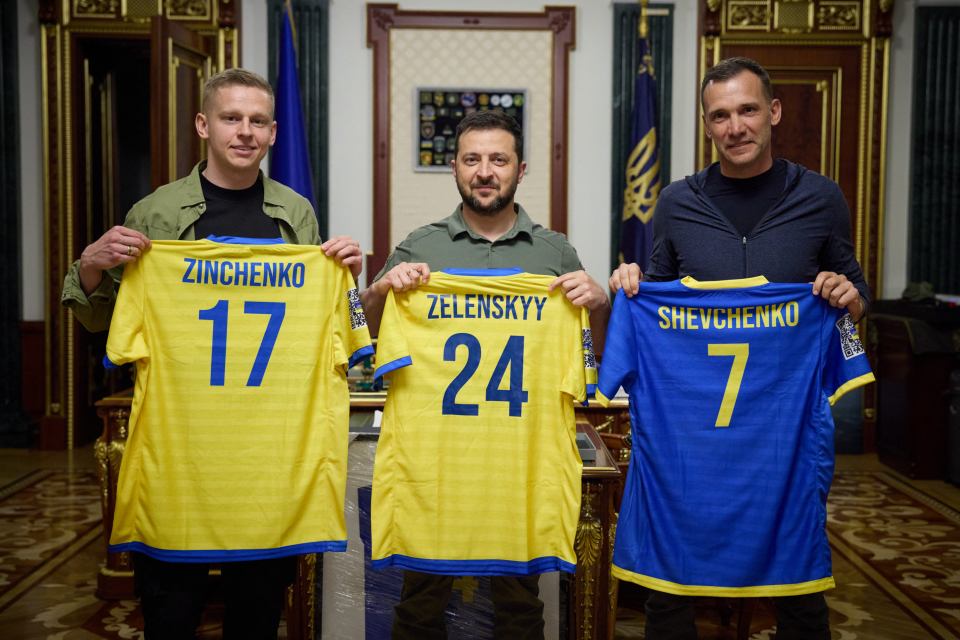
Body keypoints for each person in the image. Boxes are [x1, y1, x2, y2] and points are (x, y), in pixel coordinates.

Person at [61, 68, 363, 639]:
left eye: (257, 121)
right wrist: (91, 264)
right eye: (231, 118)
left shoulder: (295, 212)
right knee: (172, 611)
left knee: (256, 614)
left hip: (265, 454)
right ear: (203, 125)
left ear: (273, 133)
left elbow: (313, 317)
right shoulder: (155, 211)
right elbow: (106, 321)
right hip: (180, 449)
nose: (244, 132)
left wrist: (343, 275)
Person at [609, 57, 869, 640]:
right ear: (707, 125)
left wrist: (849, 299)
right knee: (670, 588)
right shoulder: (676, 201)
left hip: (785, 433)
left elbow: (856, 295)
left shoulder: (822, 198)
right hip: (693, 437)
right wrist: (633, 289)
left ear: (773, 112)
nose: (736, 127)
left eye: (748, 110)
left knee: (799, 586)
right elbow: (658, 286)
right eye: (720, 115)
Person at [360, 109, 610, 639]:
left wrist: (600, 301)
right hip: (435, 462)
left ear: (520, 171)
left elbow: (590, 353)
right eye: (472, 159)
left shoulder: (554, 252)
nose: (484, 171)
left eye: (499, 159)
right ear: (454, 168)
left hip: (518, 464)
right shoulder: (418, 246)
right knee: (419, 604)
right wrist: (381, 290)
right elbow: (365, 333)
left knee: (520, 608)